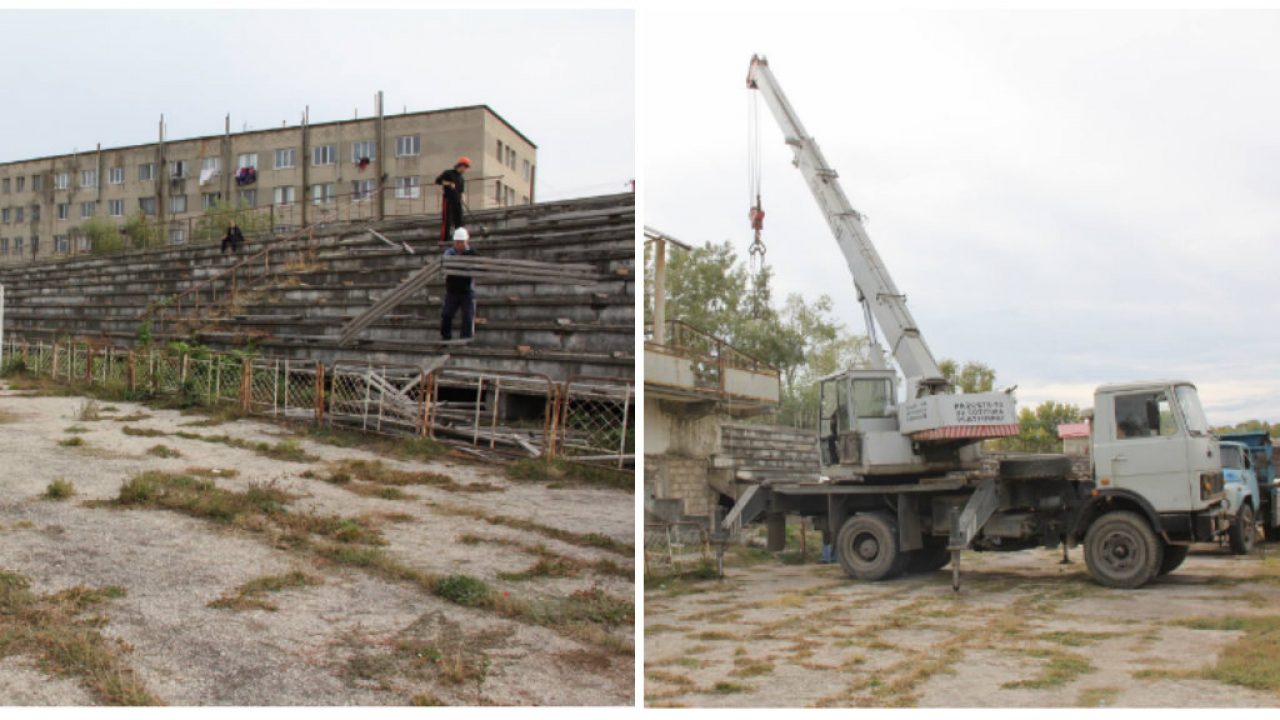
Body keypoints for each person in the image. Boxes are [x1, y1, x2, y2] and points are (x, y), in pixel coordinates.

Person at [441, 226, 476, 341]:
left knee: (467, 316)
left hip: (467, 291)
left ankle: (465, 339)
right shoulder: (449, 253)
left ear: (466, 241)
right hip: (452, 291)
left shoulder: (471, 253)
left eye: (462, 242)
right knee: (447, 315)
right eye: (457, 242)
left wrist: (468, 255)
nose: (459, 245)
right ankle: (446, 338)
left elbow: (480, 263)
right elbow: (445, 261)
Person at [434, 156, 470, 246]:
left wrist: (463, 199)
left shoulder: (461, 179)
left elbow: (461, 191)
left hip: (457, 201)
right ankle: (445, 240)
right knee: (447, 220)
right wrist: (449, 183)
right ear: (460, 165)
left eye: (466, 168)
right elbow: (438, 181)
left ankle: (459, 239)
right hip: (448, 199)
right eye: (465, 167)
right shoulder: (449, 173)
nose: (465, 170)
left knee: (459, 221)